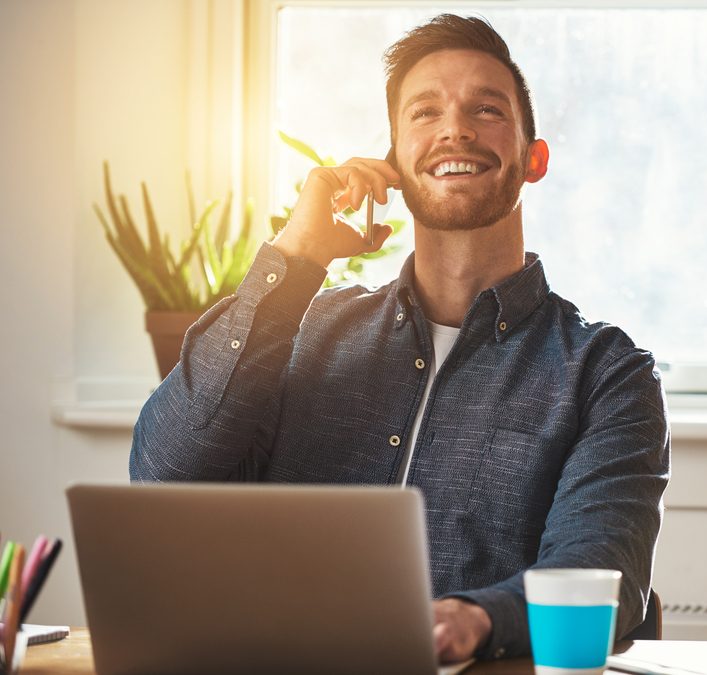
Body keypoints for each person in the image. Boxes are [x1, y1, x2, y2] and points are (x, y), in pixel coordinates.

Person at [130, 13, 670, 663]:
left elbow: (599, 571)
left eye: (486, 108)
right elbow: (163, 474)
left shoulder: (607, 372)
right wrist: (296, 254)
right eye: (425, 112)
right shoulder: (303, 332)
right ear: (392, 163)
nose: (456, 128)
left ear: (535, 158)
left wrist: (474, 616)